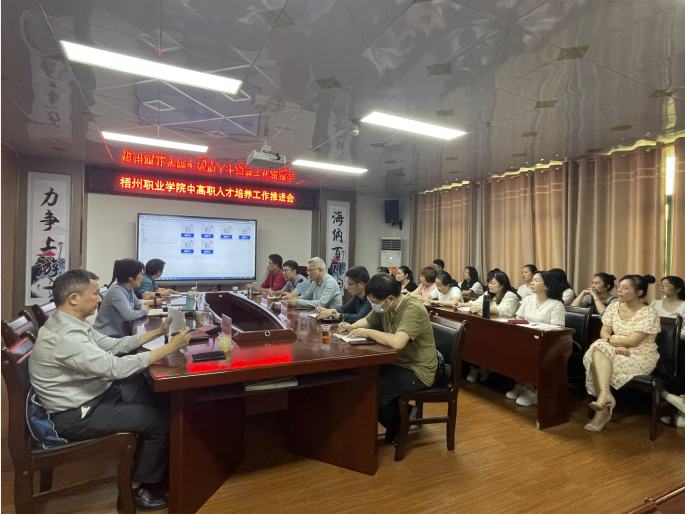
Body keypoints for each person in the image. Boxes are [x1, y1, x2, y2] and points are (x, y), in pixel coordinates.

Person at [28, 269, 191, 511]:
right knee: (160, 420)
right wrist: (169, 348)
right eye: (95, 293)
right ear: (74, 298)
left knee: (158, 396)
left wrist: (158, 332)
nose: (100, 298)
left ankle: (152, 462)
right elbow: (114, 367)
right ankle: (146, 488)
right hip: (75, 415)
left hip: (94, 395)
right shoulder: (65, 337)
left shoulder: (71, 323)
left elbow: (113, 345)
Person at [337, 273, 437, 444]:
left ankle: (400, 423)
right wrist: (351, 327)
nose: (374, 306)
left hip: (418, 369)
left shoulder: (412, 308)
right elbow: (368, 321)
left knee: (376, 393)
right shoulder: (385, 307)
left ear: (390, 298)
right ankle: (396, 414)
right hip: (396, 362)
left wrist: (368, 333)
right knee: (363, 379)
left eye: (375, 302)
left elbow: (398, 342)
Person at [583, 275, 660, 433]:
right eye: (619, 287)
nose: (619, 290)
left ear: (638, 292)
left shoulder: (648, 312)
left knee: (595, 358)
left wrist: (609, 342)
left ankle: (603, 409)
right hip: (616, 348)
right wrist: (614, 344)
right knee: (597, 352)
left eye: (625, 288)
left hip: (640, 355)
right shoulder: (614, 307)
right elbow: (604, 331)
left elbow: (633, 341)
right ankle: (605, 396)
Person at [508, 271, 566, 406]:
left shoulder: (556, 305)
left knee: (524, 354)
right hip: (527, 339)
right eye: (532, 280)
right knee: (507, 349)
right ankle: (520, 384)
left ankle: (532, 391)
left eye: (536, 280)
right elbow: (519, 318)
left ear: (547, 286)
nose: (532, 283)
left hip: (547, 343)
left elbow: (556, 331)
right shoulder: (528, 300)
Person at [458, 270, 521, 382]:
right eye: (489, 283)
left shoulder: (511, 296)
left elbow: (504, 310)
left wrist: (483, 307)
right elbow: (475, 303)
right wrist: (461, 304)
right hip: (489, 328)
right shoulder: (488, 294)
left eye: (493, 283)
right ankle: (477, 367)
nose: (489, 285)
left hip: (506, 331)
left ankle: (485, 369)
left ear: (502, 285)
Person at [651, 276, 685, 428]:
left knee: (680, 359)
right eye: (661, 285)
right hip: (653, 343)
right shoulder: (655, 303)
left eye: (666, 285)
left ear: (678, 288)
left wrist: (672, 334)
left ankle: (676, 403)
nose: (662, 287)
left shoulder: (683, 306)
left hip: (678, 344)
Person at [95, 259, 158, 338]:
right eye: (140, 274)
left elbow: (138, 304)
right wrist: (144, 311)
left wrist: (141, 306)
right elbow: (129, 315)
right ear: (130, 277)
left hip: (120, 334)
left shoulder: (128, 289)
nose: (142, 278)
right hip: (109, 337)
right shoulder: (117, 291)